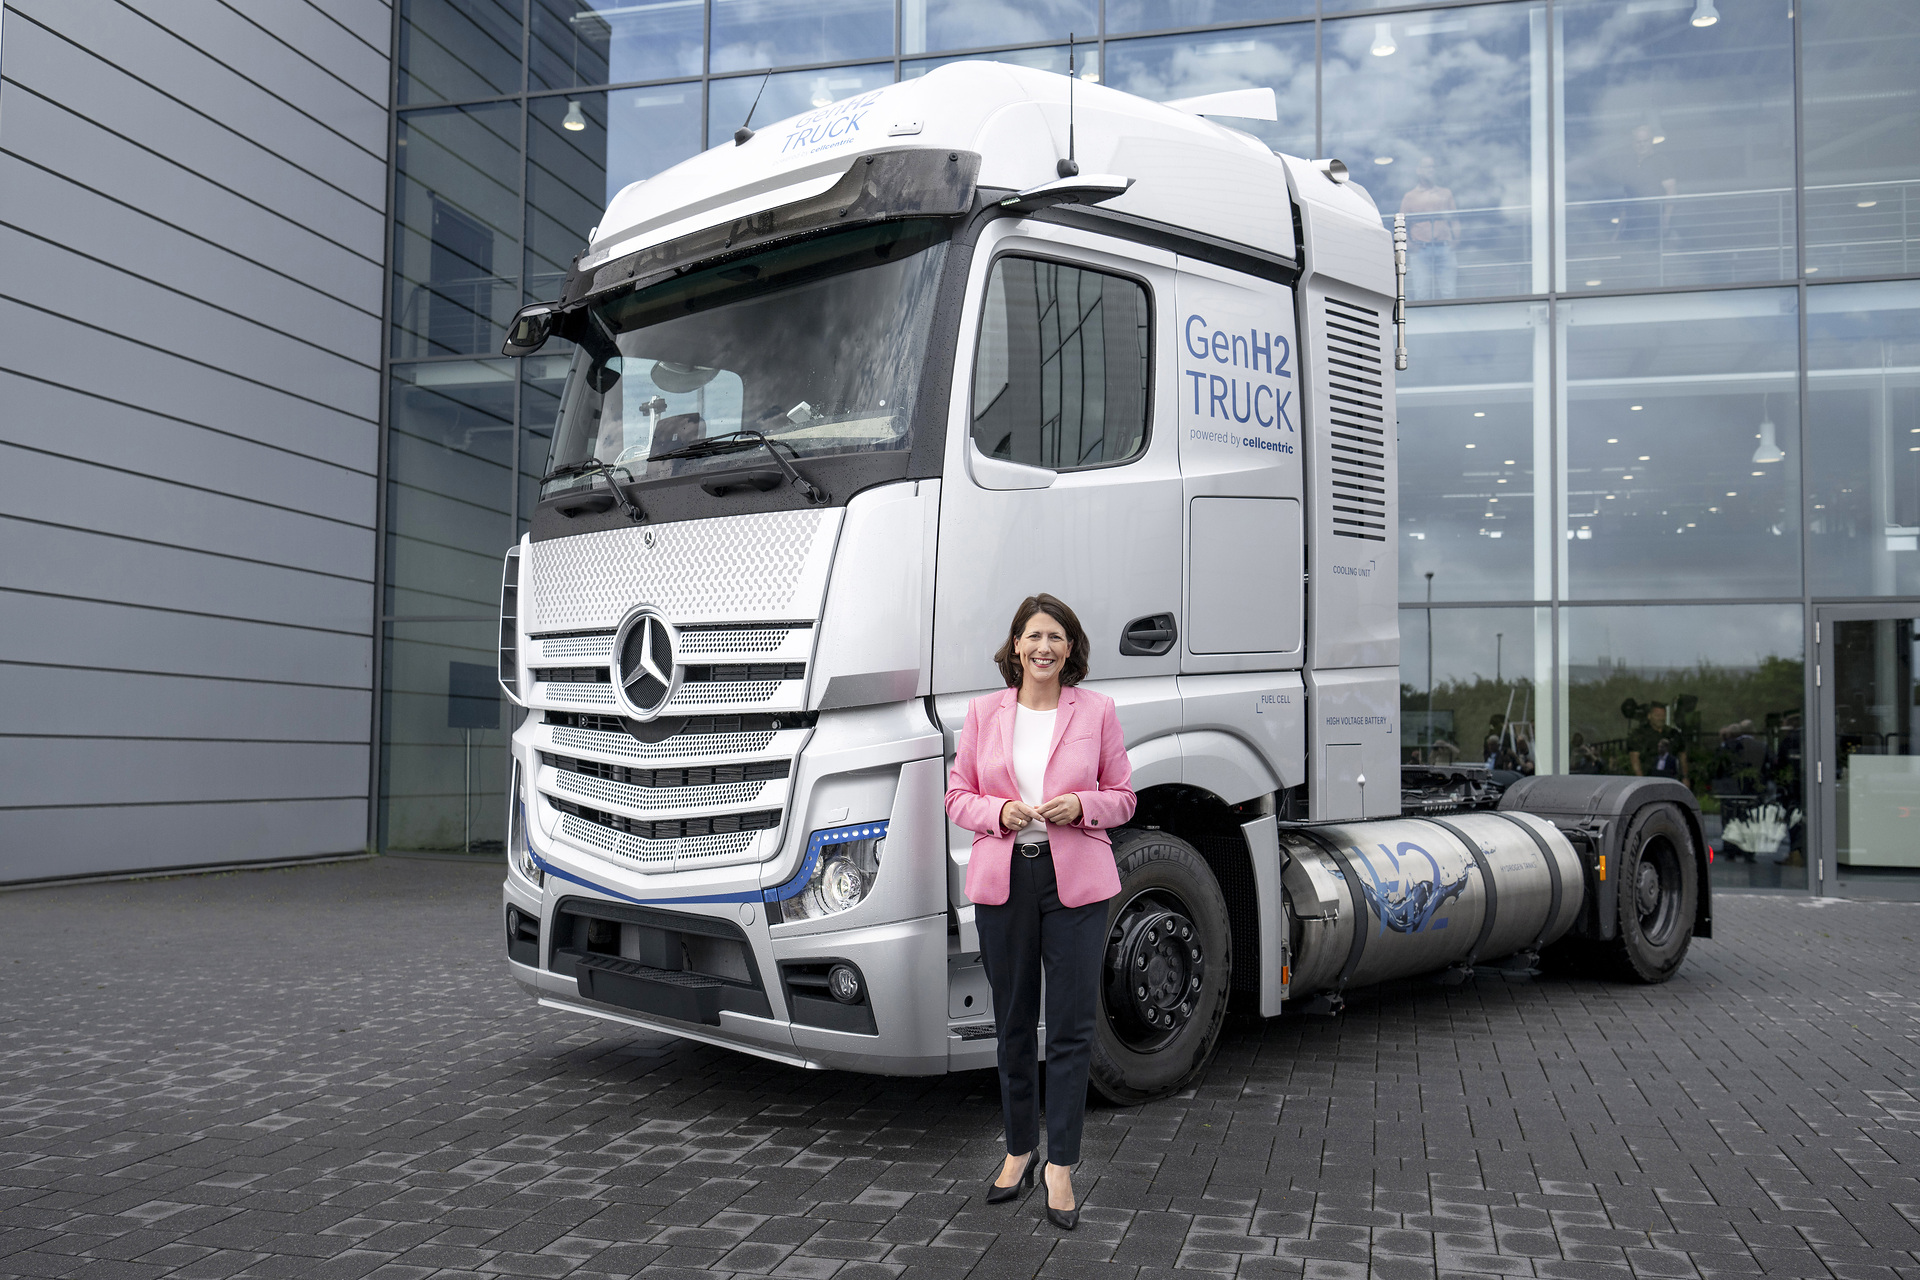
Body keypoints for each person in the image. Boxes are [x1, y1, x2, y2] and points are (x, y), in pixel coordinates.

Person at [945, 593, 1136, 1231]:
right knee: (1013, 1023)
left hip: (1075, 880)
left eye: (1056, 637)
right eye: (1034, 636)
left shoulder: (1099, 711)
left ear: (1070, 648)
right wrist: (997, 813)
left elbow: (1124, 798)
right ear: (1017, 645)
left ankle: (1062, 1165)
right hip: (1007, 877)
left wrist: (1082, 805)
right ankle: (1018, 1151)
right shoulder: (982, 713)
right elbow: (956, 796)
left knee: (1073, 1024)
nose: (1044, 648)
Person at [1398, 158, 1460, 300]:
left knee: (1449, 293)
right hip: (1421, 249)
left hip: (1445, 247)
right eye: (1427, 167)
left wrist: (1456, 240)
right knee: (1422, 294)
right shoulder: (1410, 197)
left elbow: (1455, 219)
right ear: (1418, 171)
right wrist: (1411, 246)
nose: (1431, 170)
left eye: (1433, 167)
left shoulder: (1445, 193)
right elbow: (1402, 224)